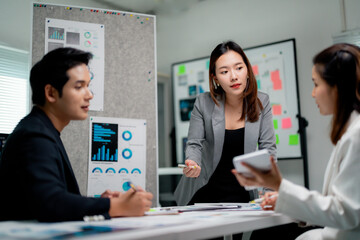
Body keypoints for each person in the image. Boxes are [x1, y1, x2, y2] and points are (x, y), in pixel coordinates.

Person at [0, 47, 153, 222]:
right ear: (51, 93)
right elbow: (50, 203)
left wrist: (100, 203)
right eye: (79, 87)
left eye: (88, 86)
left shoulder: (44, 130)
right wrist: (116, 206)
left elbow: (53, 198)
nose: (89, 95)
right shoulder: (34, 135)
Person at [232, 43, 360, 239]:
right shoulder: (350, 133)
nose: (313, 93)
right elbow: (337, 205)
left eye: (316, 84)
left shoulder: (356, 135)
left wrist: (280, 186)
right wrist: (285, 199)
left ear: (337, 88)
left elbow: (345, 213)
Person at [174, 41, 277, 207]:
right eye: (224, 71)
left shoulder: (262, 102)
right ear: (215, 77)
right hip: (203, 193)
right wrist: (192, 162)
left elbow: (268, 150)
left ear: (248, 71)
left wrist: (268, 190)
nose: (233, 76)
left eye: (239, 68)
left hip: (242, 195)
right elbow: (194, 144)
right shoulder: (203, 102)